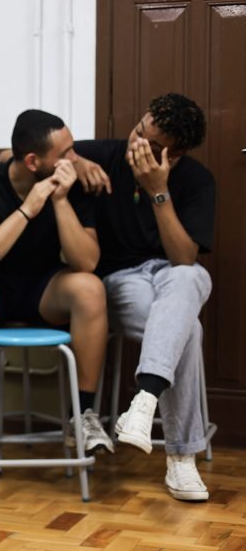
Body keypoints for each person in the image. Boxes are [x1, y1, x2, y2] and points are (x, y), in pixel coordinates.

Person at [0, 110, 111, 454]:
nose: (75, 159)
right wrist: (27, 210)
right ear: (33, 161)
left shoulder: (73, 187)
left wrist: (60, 201)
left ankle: (82, 416)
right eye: (65, 153)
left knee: (90, 288)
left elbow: (87, 262)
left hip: (46, 288)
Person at [73, 93, 214, 502]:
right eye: (138, 130)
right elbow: (9, 155)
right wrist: (74, 160)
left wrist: (158, 190)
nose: (136, 144)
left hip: (172, 277)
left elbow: (183, 257)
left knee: (191, 277)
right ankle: (181, 457)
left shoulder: (197, 181)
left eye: (151, 145)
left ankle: (145, 399)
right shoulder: (105, 154)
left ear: (176, 153)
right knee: (188, 331)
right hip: (121, 279)